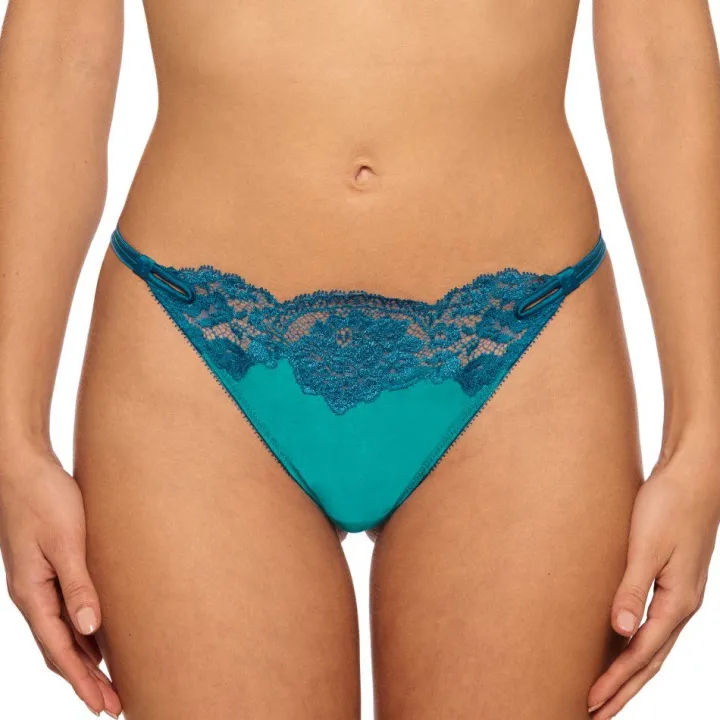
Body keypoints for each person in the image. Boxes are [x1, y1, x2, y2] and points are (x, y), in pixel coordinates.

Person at [1, 1, 719, 718]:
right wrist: (12, 434)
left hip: (523, 351)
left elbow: (658, 46)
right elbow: (61, 43)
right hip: (196, 350)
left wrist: (702, 439)